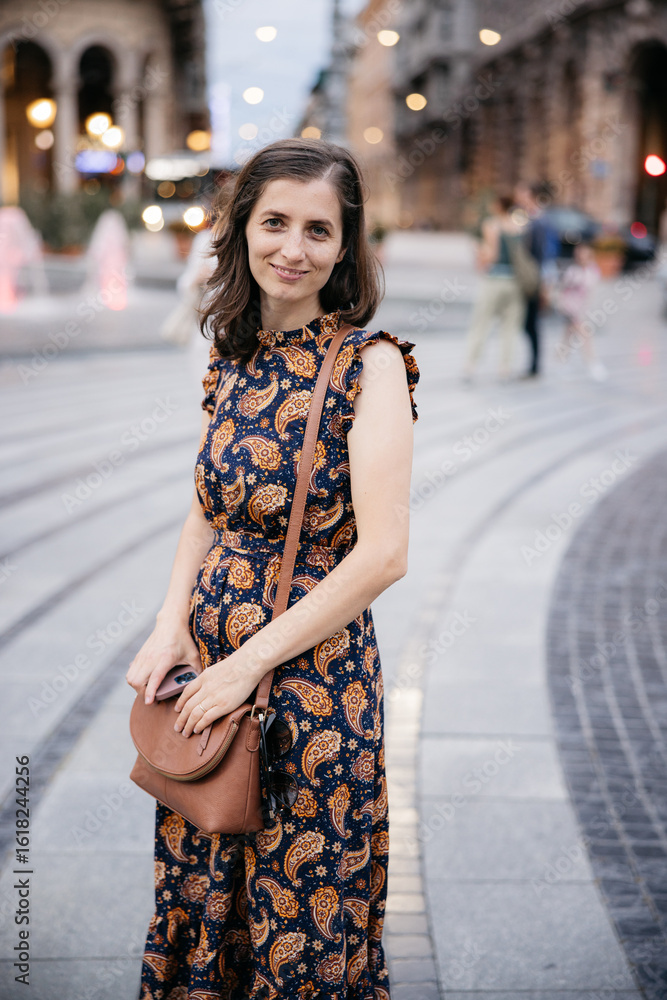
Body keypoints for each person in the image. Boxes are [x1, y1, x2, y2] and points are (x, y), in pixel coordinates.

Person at [126, 137, 419, 1000]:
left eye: (319, 230)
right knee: (203, 876)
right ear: (243, 228)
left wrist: (247, 665)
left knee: (298, 906)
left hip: (311, 680)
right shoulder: (233, 353)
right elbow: (204, 507)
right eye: (276, 222)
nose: (294, 248)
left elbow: (386, 553)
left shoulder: (369, 368)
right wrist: (169, 621)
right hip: (209, 669)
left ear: (345, 246)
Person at [462, 193, 525, 381]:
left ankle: (471, 365)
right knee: (510, 327)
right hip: (515, 281)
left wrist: (478, 251)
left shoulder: (492, 224)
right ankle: (505, 368)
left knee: (481, 323)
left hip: (495, 279)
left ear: (498, 205)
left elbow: (493, 255)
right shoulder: (518, 226)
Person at [513, 181, 559, 379]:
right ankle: (533, 365)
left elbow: (545, 255)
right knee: (528, 322)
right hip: (529, 277)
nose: (518, 197)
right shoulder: (529, 218)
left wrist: (546, 285)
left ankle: (535, 366)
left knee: (531, 322)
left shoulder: (539, 220)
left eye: (521, 193)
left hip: (535, 279)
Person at [555, 243, 606, 381]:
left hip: (582, 309)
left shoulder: (593, 271)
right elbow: (563, 289)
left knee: (568, 335)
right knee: (585, 334)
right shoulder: (572, 271)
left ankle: (561, 359)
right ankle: (592, 362)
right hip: (570, 308)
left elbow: (592, 291)